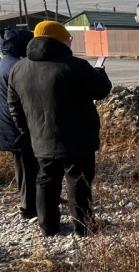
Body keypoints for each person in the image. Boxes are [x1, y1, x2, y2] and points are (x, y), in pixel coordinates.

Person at [7, 21, 112, 236]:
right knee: (78, 182)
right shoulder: (74, 65)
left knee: (45, 180)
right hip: (78, 138)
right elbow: (101, 90)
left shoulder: (18, 68)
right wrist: (100, 72)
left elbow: (14, 107)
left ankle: (48, 227)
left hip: (40, 138)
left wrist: (29, 133)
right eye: (68, 38)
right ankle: (82, 227)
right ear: (58, 40)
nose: (70, 41)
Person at [0, 28, 37, 221]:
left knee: (28, 165)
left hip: (6, 123)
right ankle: (29, 207)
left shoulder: (4, 63)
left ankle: (41, 199)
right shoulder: (19, 67)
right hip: (17, 126)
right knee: (27, 166)